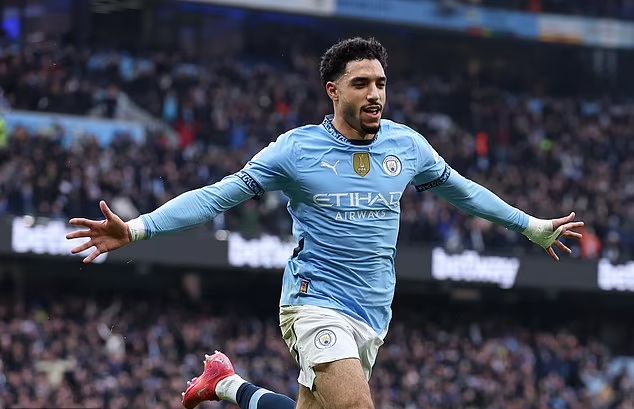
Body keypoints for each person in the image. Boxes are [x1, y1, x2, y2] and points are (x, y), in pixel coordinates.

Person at [66, 38, 584, 409]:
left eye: (381, 83)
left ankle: (225, 385)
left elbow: (464, 191)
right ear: (333, 91)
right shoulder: (295, 151)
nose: (375, 94)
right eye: (361, 84)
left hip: (373, 313)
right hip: (315, 304)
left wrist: (529, 225)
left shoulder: (407, 146)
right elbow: (216, 196)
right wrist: (137, 229)